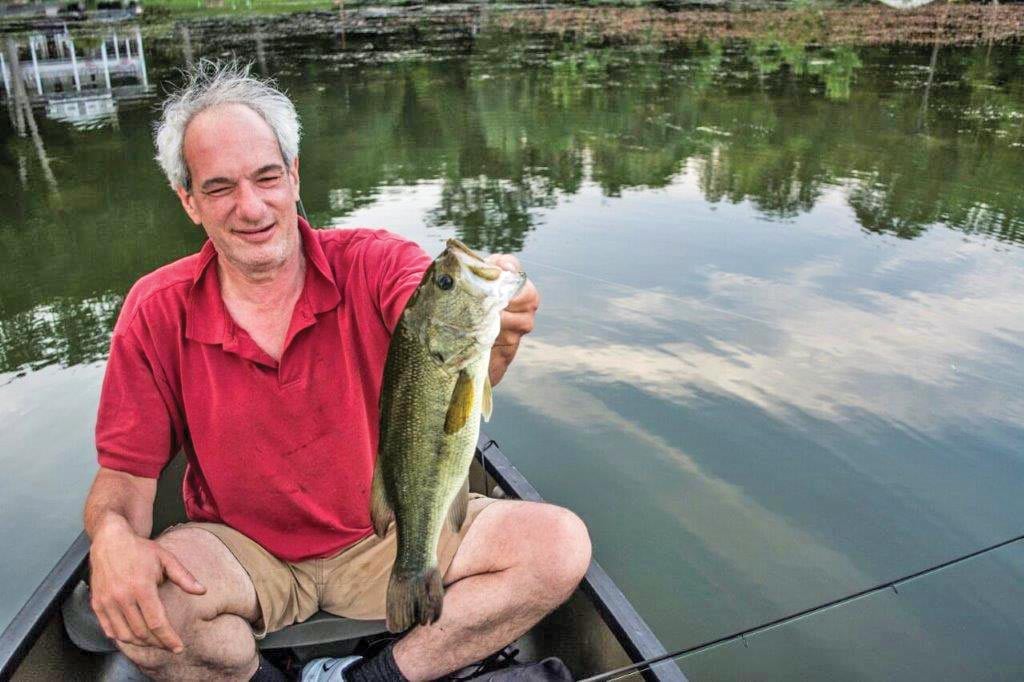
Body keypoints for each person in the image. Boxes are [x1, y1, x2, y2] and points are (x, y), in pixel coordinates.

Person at [82, 60, 591, 682]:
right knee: (142, 614)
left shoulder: (374, 262)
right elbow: (126, 480)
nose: (251, 206)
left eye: (268, 176)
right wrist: (111, 538)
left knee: (559, 547)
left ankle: (373, 678)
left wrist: (499, 311)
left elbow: (439, 338)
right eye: (219, 188)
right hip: (239, 549)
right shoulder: (155, 309)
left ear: (295, 177)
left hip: (386, 528)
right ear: (189, 201)